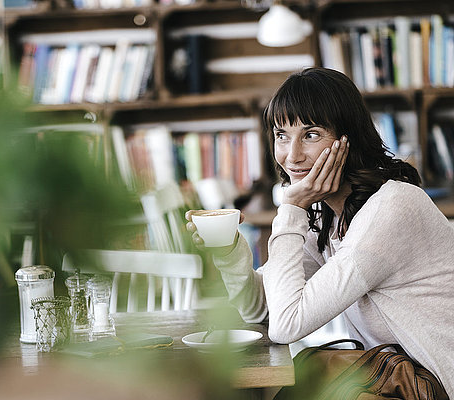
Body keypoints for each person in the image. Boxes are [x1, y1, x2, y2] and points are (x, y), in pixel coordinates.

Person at [185, 67, 454, 396]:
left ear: (347, 139)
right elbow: (263, 309)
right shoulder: (329, 213)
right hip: (390, 380)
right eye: (281, 135)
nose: (292, 155)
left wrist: (292, 209)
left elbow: (287, 326)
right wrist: (230, 250)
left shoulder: (391, 209)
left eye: (310, 134)